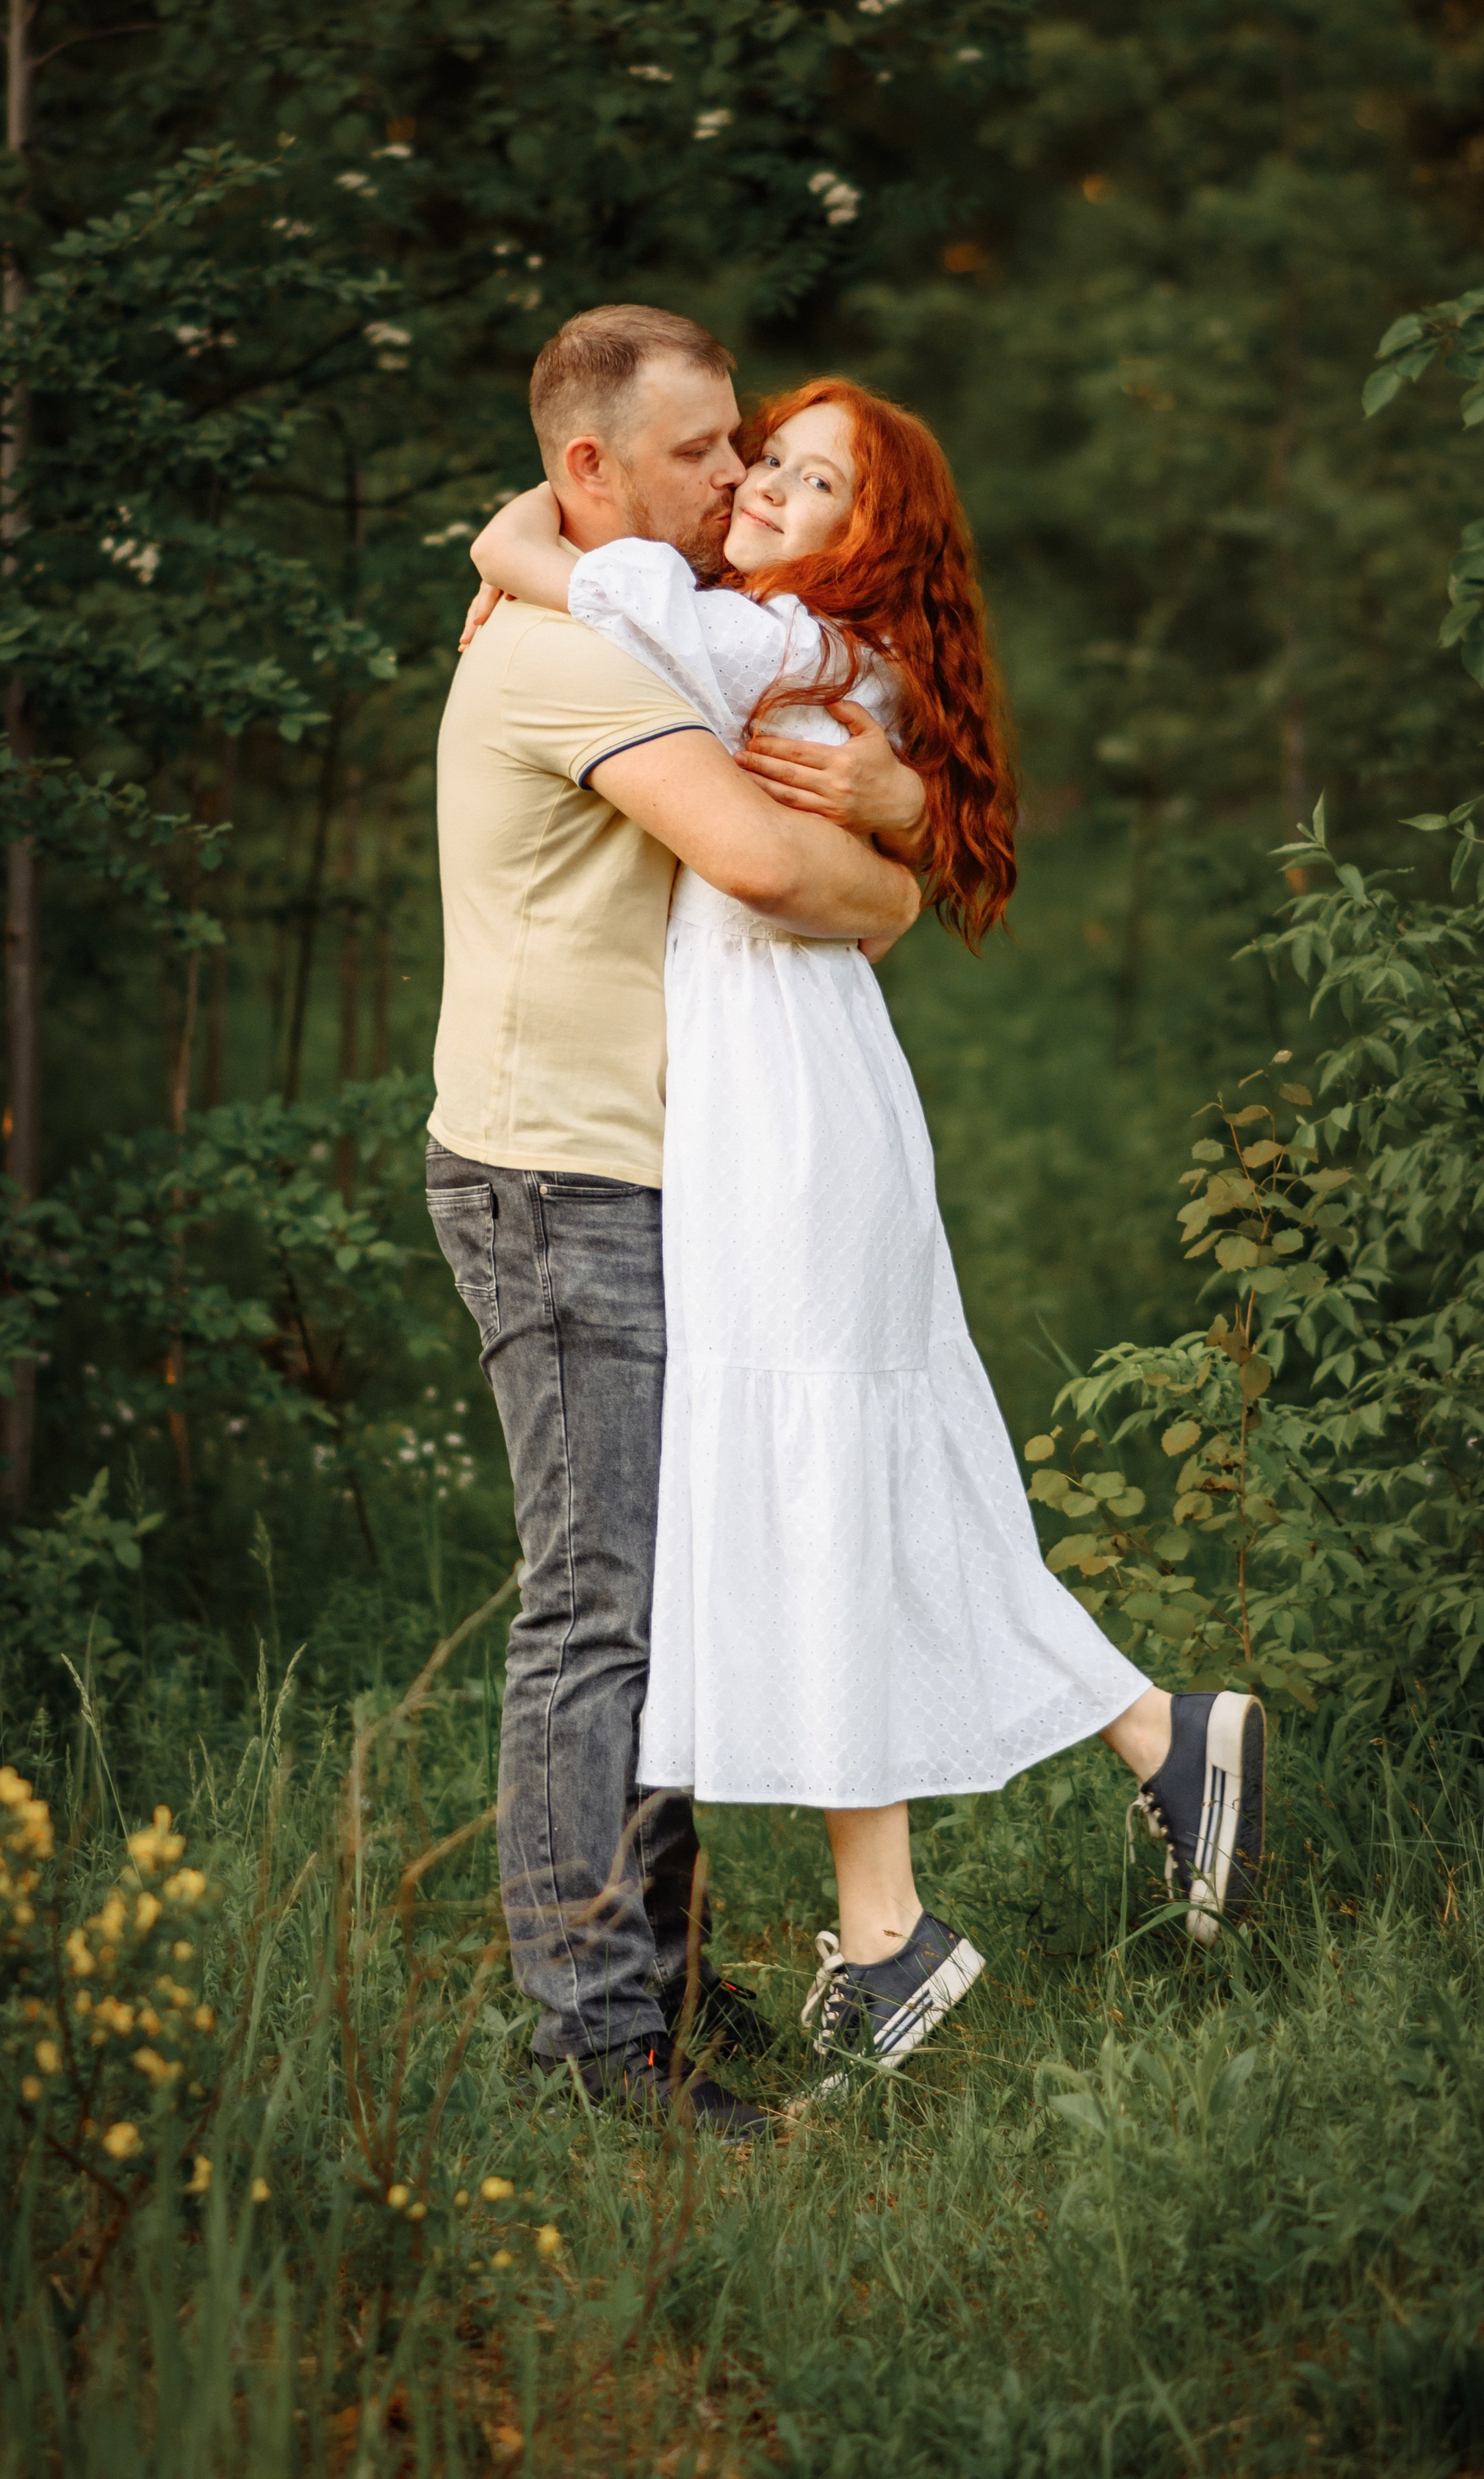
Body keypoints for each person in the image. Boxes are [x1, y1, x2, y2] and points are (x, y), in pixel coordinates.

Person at [463, 370, 1267, 2097]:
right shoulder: (800, 652)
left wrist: (514, 540)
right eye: (765, 458)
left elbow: (611, 593)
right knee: (846, 1479)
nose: (761, 486)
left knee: (823, 1472)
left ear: (864, 542)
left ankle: (932, 1901)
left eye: (810, 482)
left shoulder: (782, 659)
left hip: (785, 1120)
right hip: (776, 1104)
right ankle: (1068, 1796)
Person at [426, 307, 921, 2140]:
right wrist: (898, 842)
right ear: (592, 470)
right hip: (557, 1178)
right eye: (704, 449)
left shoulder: (621, 601)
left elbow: (854, 893)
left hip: (657, 1176)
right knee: (599, 1611)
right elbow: (790, 873)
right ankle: (595, 2043)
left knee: (661, 1602)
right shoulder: (570, 647)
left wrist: (908, 807)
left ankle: (664, 1990)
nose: (735, 475)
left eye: (742, 447)